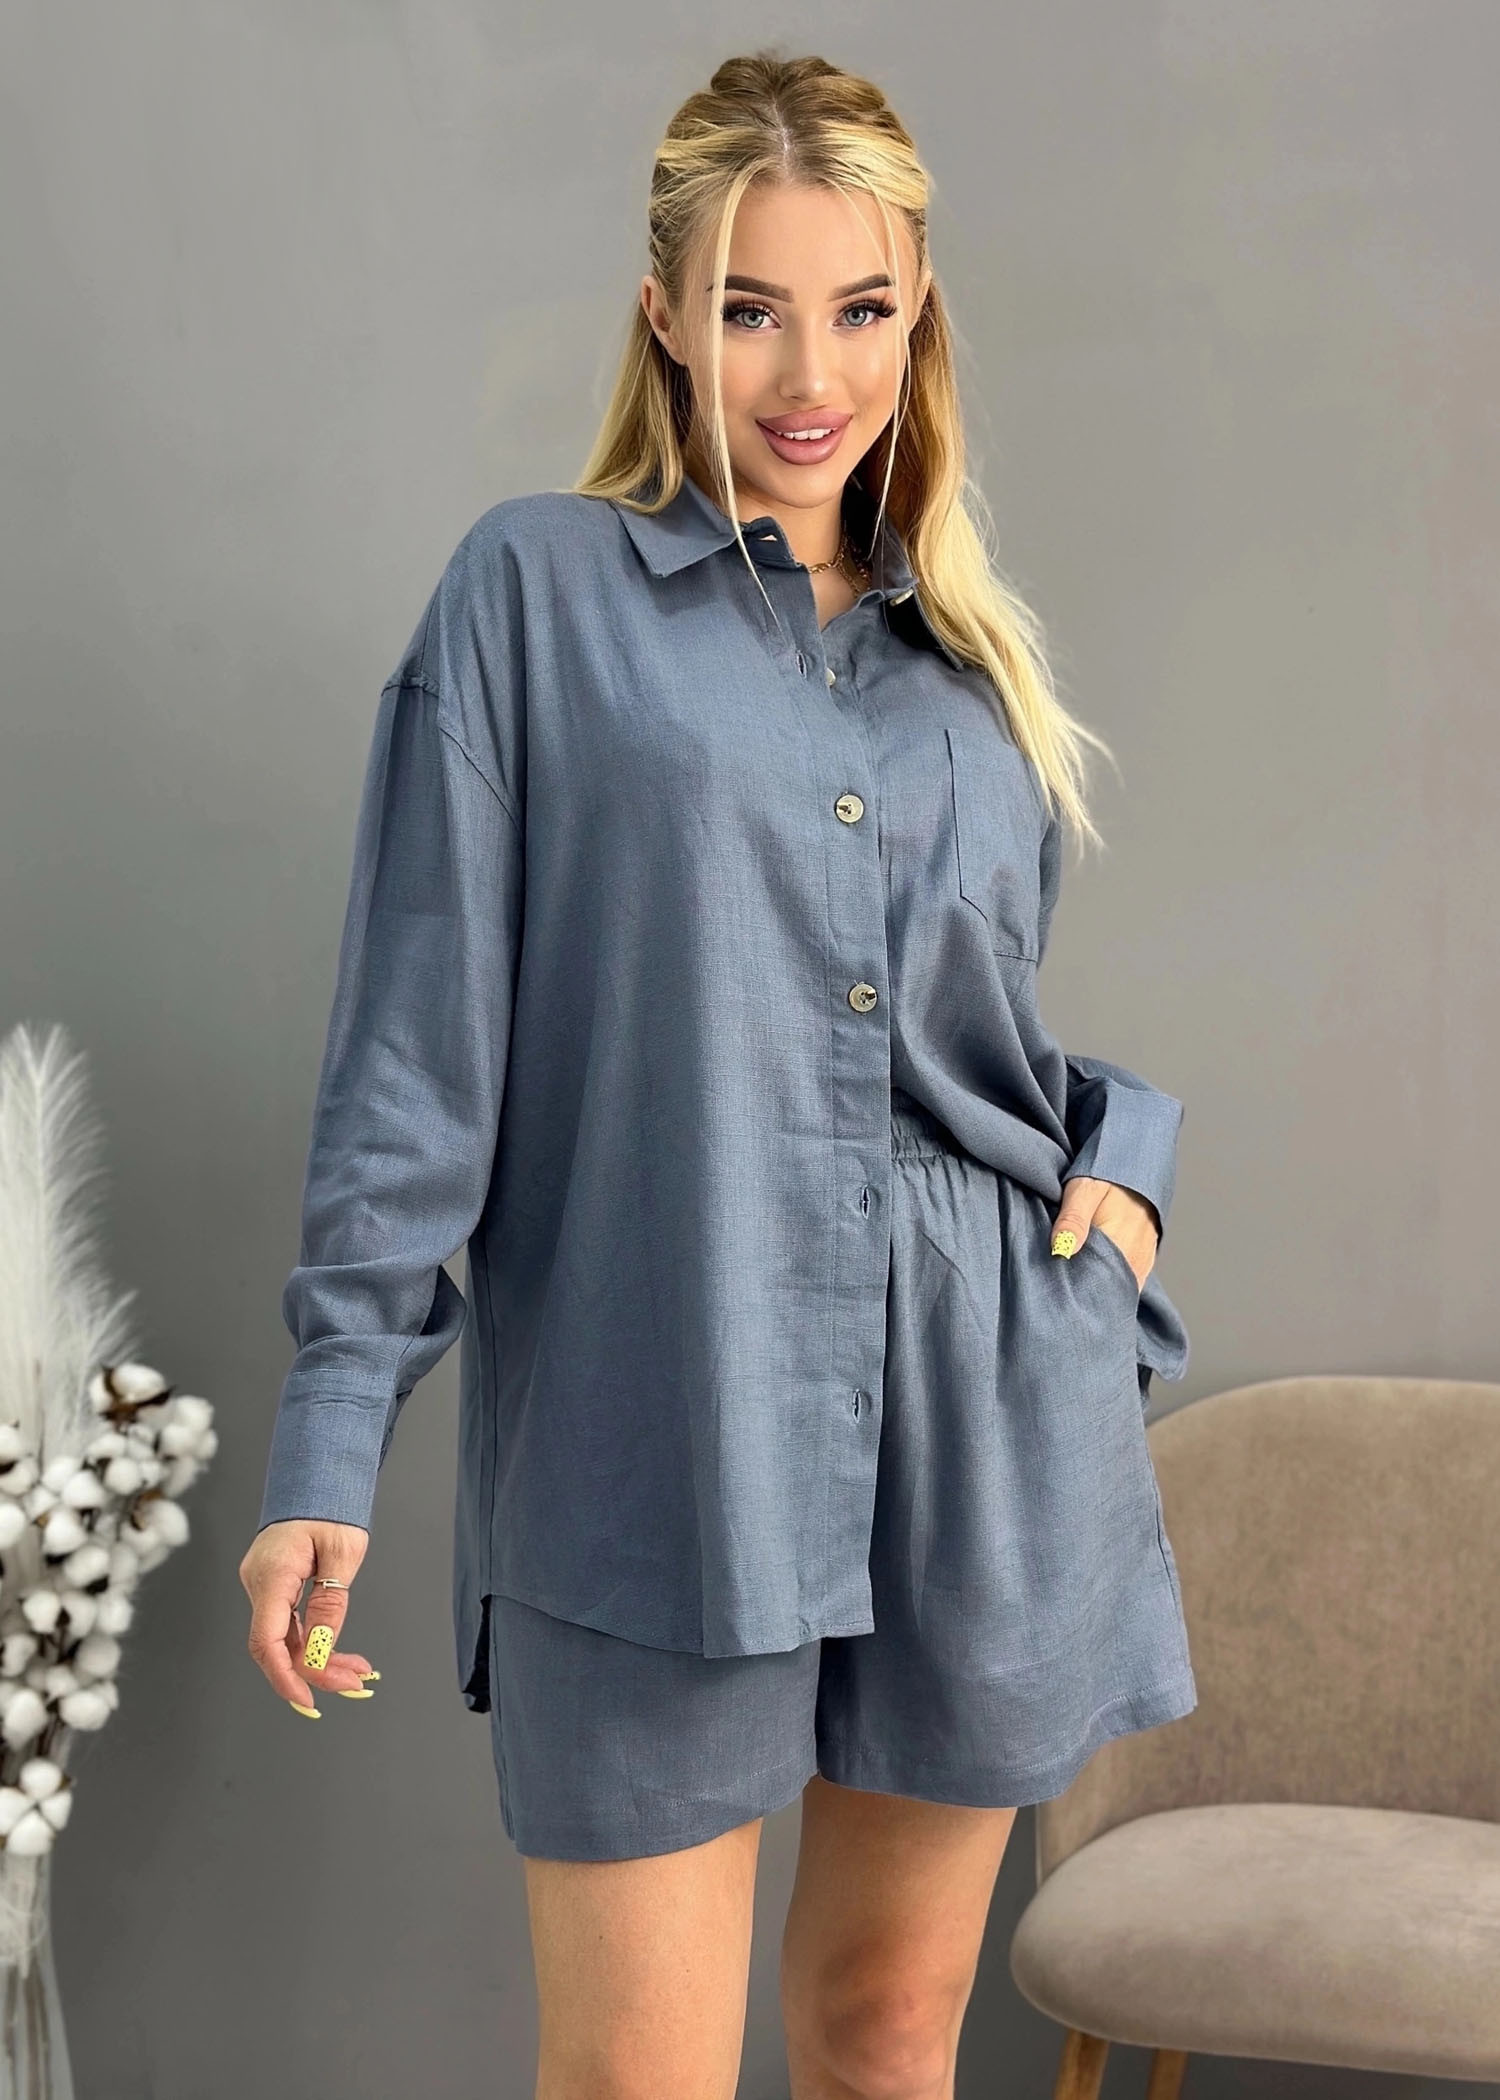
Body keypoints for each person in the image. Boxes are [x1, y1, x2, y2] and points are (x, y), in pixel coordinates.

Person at [239, 46, 1196, 2100]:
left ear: (917, 315)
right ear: (666, 312)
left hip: (976, 1423)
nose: (808, 375)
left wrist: (1124, 1176)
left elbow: (973, 1052)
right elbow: (416, 1063)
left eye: (861, 308)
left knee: (885, 2039)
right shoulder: (530, 599)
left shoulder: (969, 675)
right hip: (657, 1422)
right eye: (752, 307)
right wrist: (330, 1439)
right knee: (636, 2079)